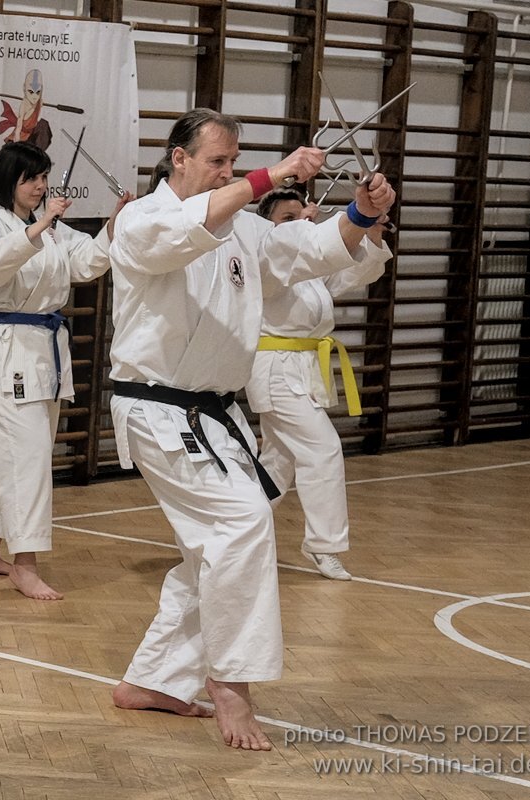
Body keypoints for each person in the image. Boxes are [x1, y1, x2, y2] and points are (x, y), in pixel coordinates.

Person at [106, 109, 395, 749]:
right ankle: (231, 684)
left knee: (210, 548)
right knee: (241, 522)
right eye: (217, 161)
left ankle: (156, 678)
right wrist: (270, 176)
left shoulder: (242, 226)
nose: (228, 174)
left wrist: (362, 214)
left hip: (210, 412)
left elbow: (308, 250)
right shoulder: (140, 220)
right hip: (157, 408)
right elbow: (186, 233)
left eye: (234, 163)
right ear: (177, 158)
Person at [0, 141, 131, 600]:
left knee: (20, 460)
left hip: (44, 353)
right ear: (9, 182)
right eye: (30, 178)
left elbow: (87, 263)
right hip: (5, 353)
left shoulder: (54, 231)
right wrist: (38, 227)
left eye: (43, 178)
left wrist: (115, 223)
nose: (39, 186)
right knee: (28, 462)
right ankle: (25, 564)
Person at [249, 186, 392, 580]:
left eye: (302, 215)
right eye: (287, 220)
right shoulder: (265, 263)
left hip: (305, 366)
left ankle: (232, 526)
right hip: (275, 367)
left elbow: (356, 271)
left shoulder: (310, 274)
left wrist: (372, 230)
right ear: (267, 228)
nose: (299, 223)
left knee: (279, 460)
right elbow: (307, 250)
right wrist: (329, 227)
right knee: (323, 448)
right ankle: (322, 545)